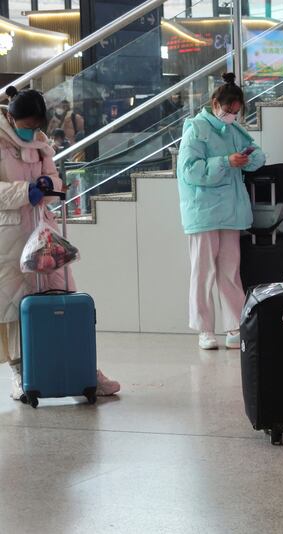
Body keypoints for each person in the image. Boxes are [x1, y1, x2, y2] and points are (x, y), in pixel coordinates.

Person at [0, 86, 119, 399]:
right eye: (26, 127)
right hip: (8, 235)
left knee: (63, 292)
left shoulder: (40, 143)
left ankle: (84, 369)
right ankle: (20, 373)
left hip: (43, 231)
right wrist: (25, 191)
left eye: (36, 128)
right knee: (13, 306)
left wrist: (46, 184)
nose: (31, 133)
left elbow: (55, 178)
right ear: (11, 119)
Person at [177, 73, 266, 350]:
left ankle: (235, 326)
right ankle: (204, 330)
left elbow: (258, 158)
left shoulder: (235, 131)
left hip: (230, 211)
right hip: (203, 212)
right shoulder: (196, 130)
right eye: (229, 110)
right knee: (202, 272)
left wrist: (247, 157)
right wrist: (226, 162)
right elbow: (190, 171)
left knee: (230, 270)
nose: (231, 116)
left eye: (236, 112)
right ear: (215, 103)